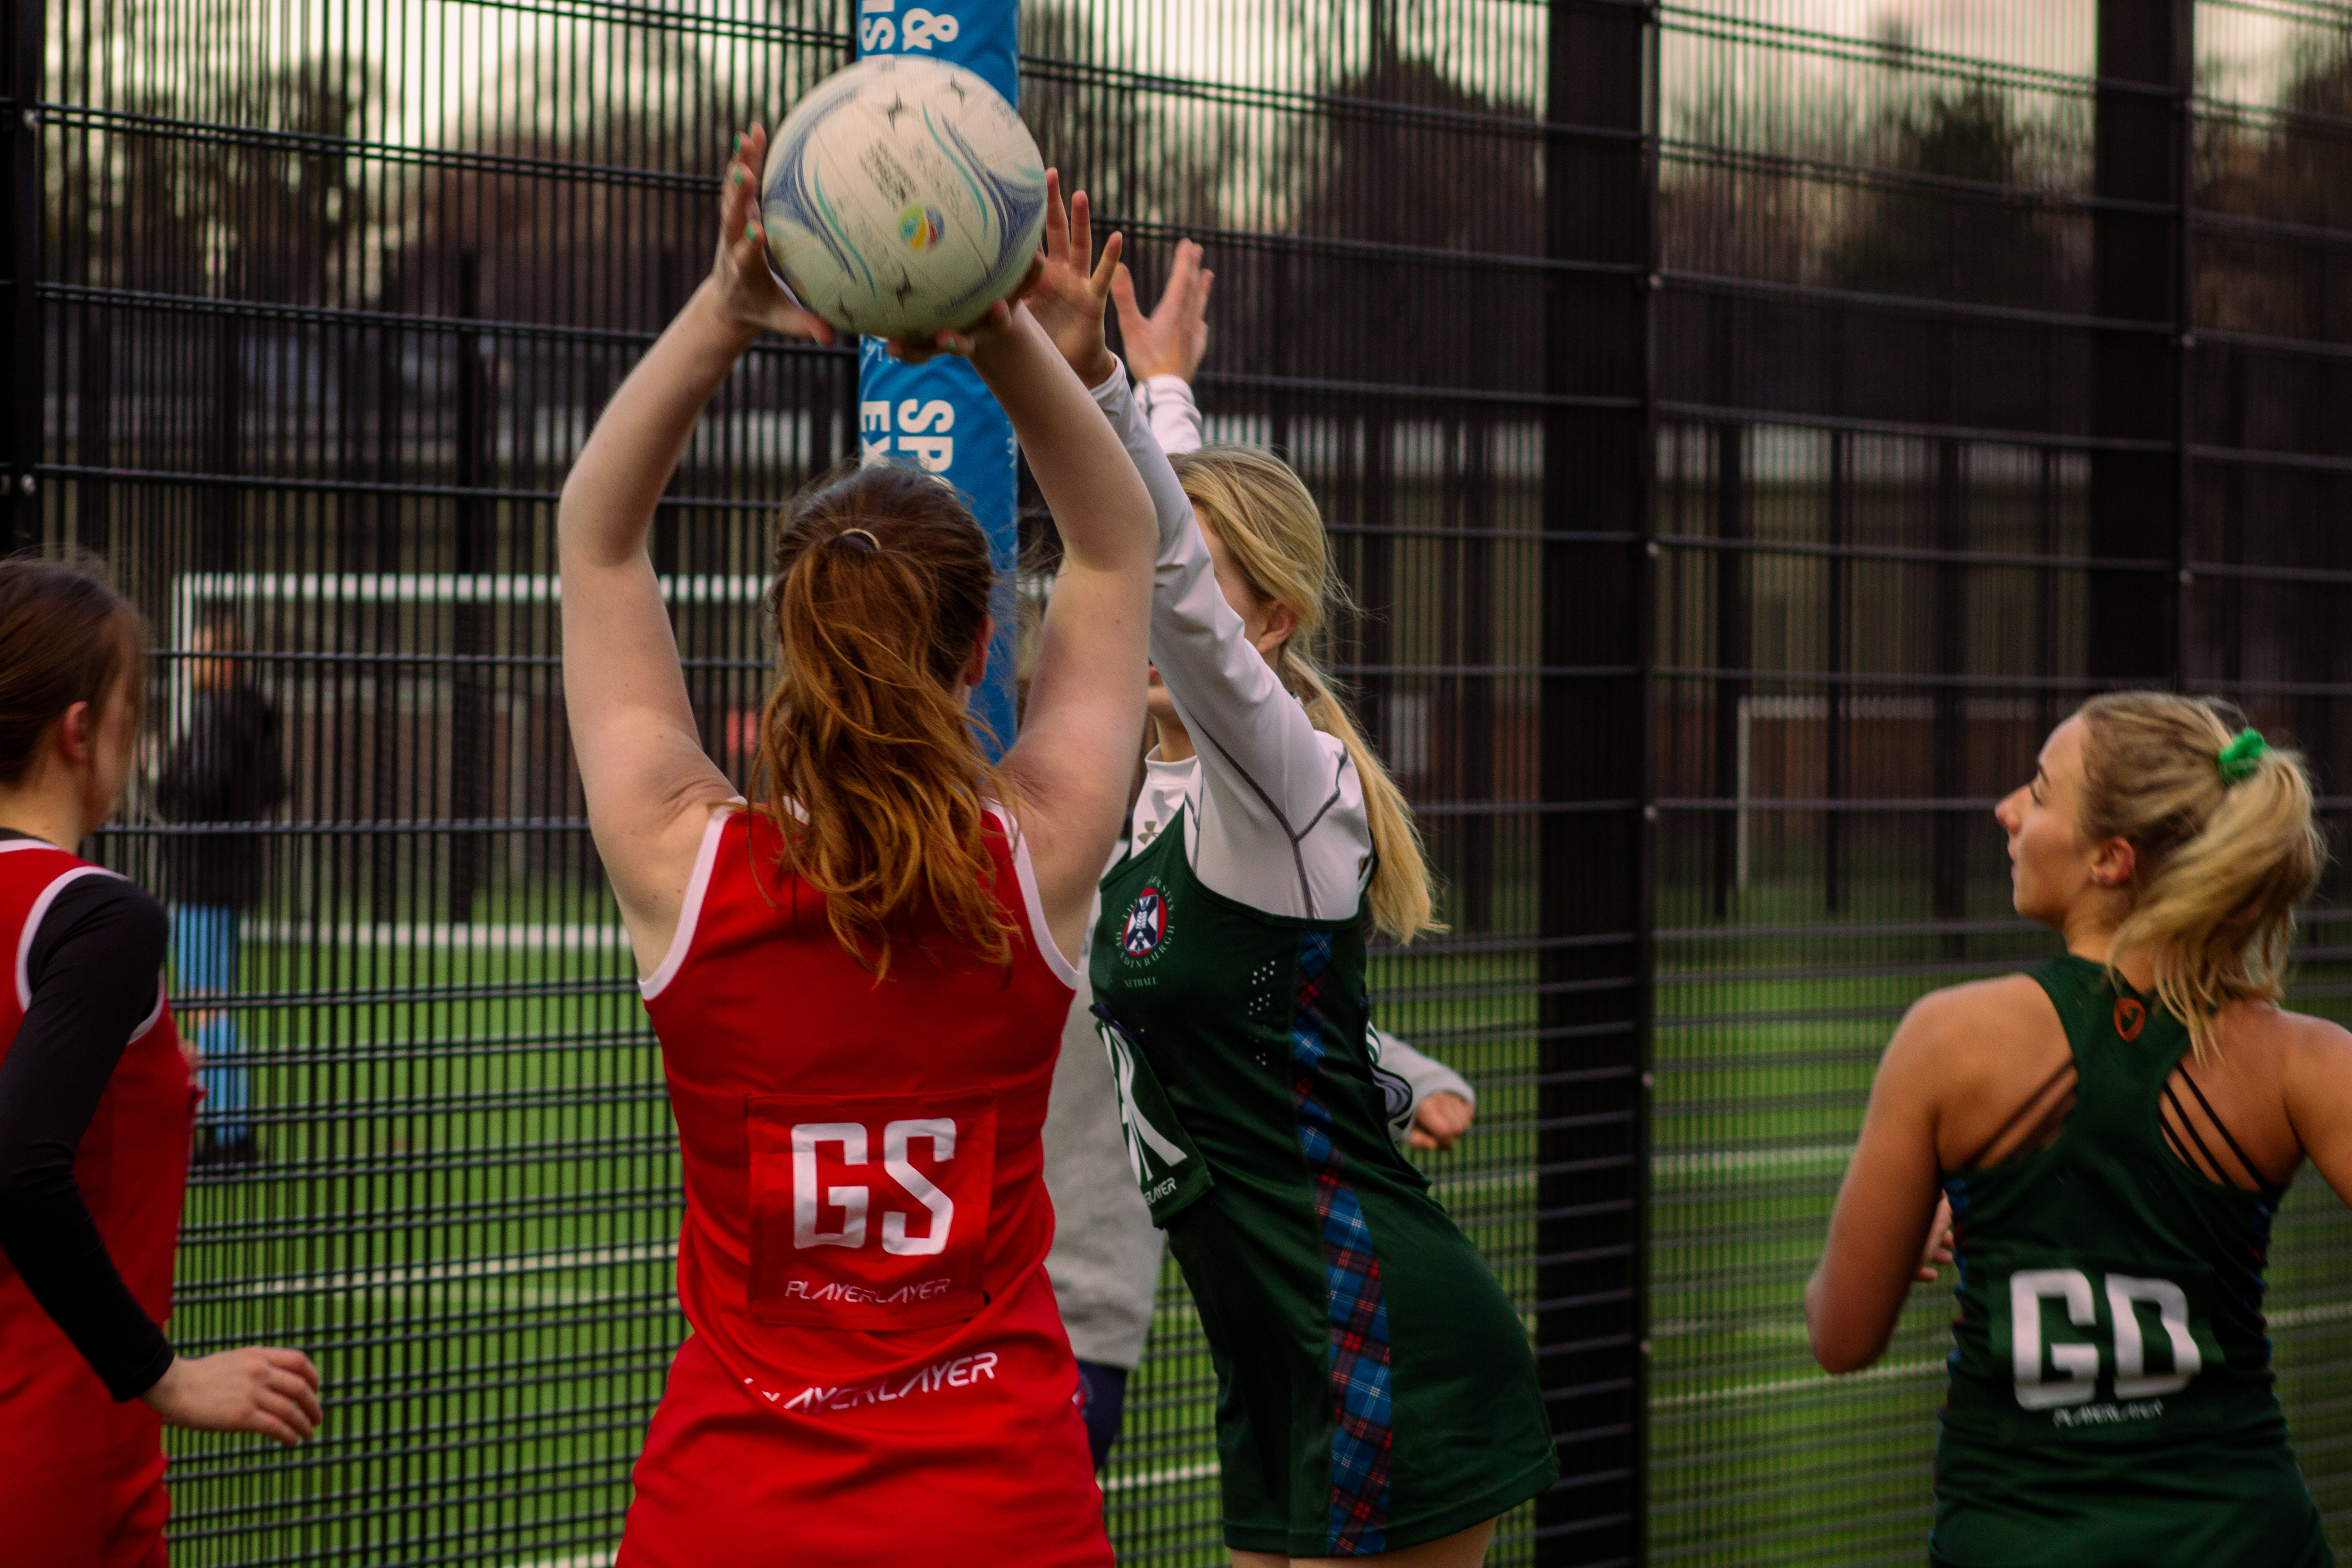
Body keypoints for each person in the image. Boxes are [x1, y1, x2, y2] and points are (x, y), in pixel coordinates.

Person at [562, 129, 1156, 1567]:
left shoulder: (692, 874)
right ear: (979, 651)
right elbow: (1119, 545)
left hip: (733, 1515)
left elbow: (597, 542)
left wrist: (727, 307)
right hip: (1000, 1508)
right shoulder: (1034, 862)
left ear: (794, 651)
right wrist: (998, 316)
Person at [1022, 183, 1558, 1563]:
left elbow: (1185, 589)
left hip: (1382, 1338)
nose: (1131, 606)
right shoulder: (1166, 795)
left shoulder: (1287, 788)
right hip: (1274, 1354)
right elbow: (1256, 1013)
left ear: (1279, 625)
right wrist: (1169, 393)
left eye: (1177, 591)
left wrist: (1103, 384)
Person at [1806, 693, 2347, 1568]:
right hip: (2247, 1537)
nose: (2007, 811)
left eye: (2038, 791)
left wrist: (1884, 1247)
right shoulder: (2302, 1061)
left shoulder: (1946, 1040)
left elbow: (1838, 1337)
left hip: (2013, 1540)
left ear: (2109, 859)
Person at [0, 558, 321, 1568]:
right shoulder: (98, 917)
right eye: (138, 714)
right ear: (81, 731)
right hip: (60, 1450)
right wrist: (162, 1376)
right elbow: (20, 1165)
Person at [152, 612, 286, 1166]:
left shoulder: (218, 712)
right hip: (228, 875)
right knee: (215, 1000)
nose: (193, 664)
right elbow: (278, 787)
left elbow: (204, 782)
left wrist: (163, 768)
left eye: (202, 654)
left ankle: (228, 1134)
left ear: (226, 661)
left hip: (201, 877)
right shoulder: (256, 714)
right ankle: (231, 1126)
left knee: (207, 1005)